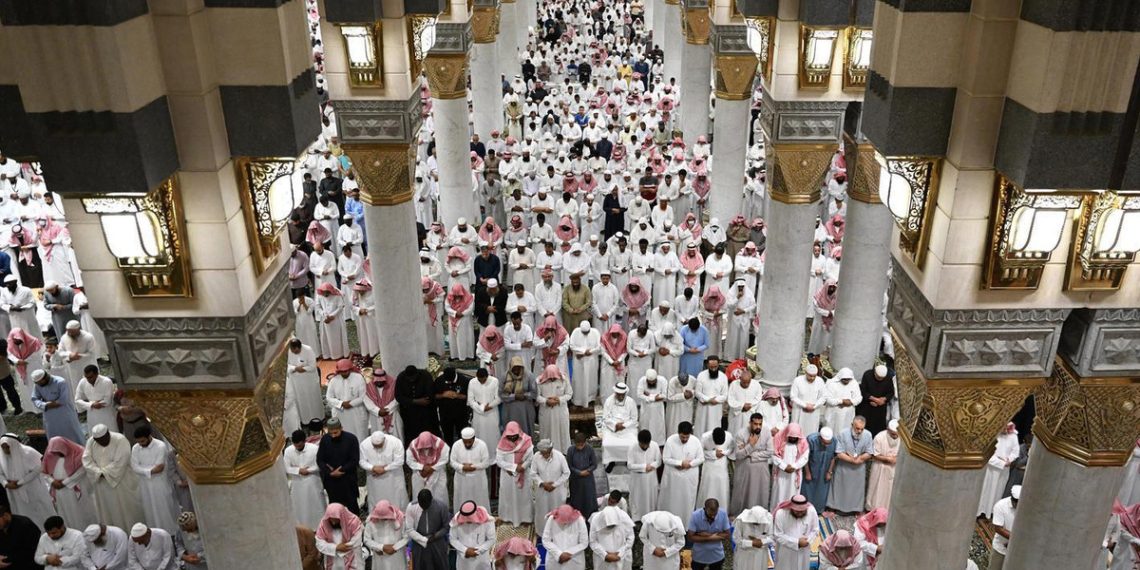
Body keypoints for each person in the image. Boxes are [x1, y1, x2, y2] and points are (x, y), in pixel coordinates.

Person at [82, 424, 144, 530]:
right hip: (102, 485)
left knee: (127, 512)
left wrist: (103, 473)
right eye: (98, 441)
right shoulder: (91, 442)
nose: (101, 442)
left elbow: (121, 461)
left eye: (103, 439)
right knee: (109, 512)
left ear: (108, 434)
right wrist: (98, 472)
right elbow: (87, 460)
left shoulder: (120, 439)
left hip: (122, 483)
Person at [129, 425, 179, 534]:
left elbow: (160, 468)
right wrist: (149, 471)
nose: (140, 444)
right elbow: (134, 467)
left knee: (166, 508)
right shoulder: (135, 448)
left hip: (160, 483)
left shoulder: (160, 446)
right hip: (144, 485)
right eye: (139, 442)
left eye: (142, 441)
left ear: (149, 437)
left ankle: (173, 533)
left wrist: (143, 470)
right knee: (150, 509)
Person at [0, 433, 56, 530]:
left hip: (32, 489)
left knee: (39, 513)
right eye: (3, 448)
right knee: (22, 514)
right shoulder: (1, 456)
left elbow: (39, 468)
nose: (6, 450)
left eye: (7, 447)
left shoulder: (28, 452)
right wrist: (6, 484)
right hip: (14, 493)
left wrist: (21, 482)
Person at [42, 436, 98, 530]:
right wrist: (52, 482)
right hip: (60, 492)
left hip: (76, 488)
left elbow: (82, 470)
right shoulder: (49, 455)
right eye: (55, 452)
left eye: (59, 451)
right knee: (66, 513)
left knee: (81, 512)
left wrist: (66, 482)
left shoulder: (78, 452)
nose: (57, 454)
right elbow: (44, 472)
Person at [660, 422, 704, 530]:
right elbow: (665, 458)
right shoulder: (670, 440)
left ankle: (686, 525)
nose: (684, 439)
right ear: (678, 433)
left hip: (689, 478)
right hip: (673, 478)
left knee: (687, 501)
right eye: (682, 437)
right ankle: (669, 524)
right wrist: (679, 463)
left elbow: (701, 458)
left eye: (687, 437)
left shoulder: (696, 441)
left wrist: (689, 464)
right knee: (672, 500)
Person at [828, 417, 875, 515]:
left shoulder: (868, 435)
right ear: (852, 425)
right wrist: (851, 460)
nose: (859, 431)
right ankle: (835, 507)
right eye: (857, 428)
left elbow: (869, 452)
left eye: (862, 429)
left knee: (857, 490)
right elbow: (839, 452)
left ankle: (855, 508)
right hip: (844, 466)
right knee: (839, 487)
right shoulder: (843, 433)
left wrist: (860, 459)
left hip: (859, 467)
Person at [316, 417, 362, 516]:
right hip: (331, 480)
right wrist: (330, 472)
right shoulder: (325, 439)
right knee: (335, 507)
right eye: (331, 433)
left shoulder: (351, 439)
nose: (333, 436)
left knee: (352, 505)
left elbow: (354, 460)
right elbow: (320, 459)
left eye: (335, 433)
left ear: (341, 428)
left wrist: (341, 470)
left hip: (348, 478)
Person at [731, 413, 773, 517]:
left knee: (760, 494)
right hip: (744, 471)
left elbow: (770, 452)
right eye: (755, 424)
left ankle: (760, 517)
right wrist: (751, 445)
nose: (758, 426)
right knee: (743, 495)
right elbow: (738, 455)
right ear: (750, 423)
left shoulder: (766, 432)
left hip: (761, 472)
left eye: (760, 424)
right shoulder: (741, 434)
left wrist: (751, 455)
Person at [285, 430, 328, 529]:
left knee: (316, 504)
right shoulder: (288, 451)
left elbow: (320, 465)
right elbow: (286, 467)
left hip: (313, 480)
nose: (297, 448)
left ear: (304, 441)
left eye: (299, 446)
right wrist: (298, 470)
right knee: (300, 506)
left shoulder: (314, 449)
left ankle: (320, 527)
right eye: (296, 446)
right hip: (297, 482)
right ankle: (303, 528)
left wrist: (309, 470)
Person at [358, 430, 408, 514]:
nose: (377, 448)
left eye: (379, 445)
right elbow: (362, 462)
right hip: (374, 481)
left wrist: (385, 469)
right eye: (375, 446)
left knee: (395, 501)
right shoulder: (364, 444)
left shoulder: (395, 442)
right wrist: (373, 468)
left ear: (384, 440)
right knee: (376, 501)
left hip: (393, 479)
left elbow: (400, 461)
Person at [977, 422, 1019, 519]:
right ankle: (980, 511)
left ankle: (991, 512)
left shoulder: (1013, 436)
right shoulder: (991, 434)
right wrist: (1002, 463)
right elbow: (986, 452)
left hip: (1003, 472)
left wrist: (1009, 460)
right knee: (985, 490)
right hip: (990, 470)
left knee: (997, 492)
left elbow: (1015, 452)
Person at [31, 370, 85, 445]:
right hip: (49, 415)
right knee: (53, 435)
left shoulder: (60, 382)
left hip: (64, 412)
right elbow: (34, 398)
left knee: (71, 433)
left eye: (40, 382)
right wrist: (44, 405)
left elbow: (64, 400)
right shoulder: (38, 385)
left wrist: (54, 403)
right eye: (37, 383)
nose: (39, 384)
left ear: (45, 378)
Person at [495, 422, 533, 525]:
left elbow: (530, 458)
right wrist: (514, 468)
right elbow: (499, 461)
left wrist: (523, 467)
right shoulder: (502, 443)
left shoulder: (527, 440)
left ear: (519, 433)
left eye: (514, 436)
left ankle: (526, 519)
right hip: (508, 475)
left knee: (523, 497)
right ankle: (506, 517)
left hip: (523, 473)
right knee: (507, 496)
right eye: (510, 437)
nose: (512, 439)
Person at [406, 489, 451, 570]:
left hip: (437, 542)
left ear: (431, 500)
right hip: (419, 544)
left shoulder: (441, 506)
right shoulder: (411, 507)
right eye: (421, 504)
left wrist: (435, 536)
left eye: (426, 504)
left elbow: (446, 527)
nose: (423, 507)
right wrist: (423, 540)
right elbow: (409, 529)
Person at [770, 423, 810, 511]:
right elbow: (773, 455)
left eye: (795, 437)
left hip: (794, 474)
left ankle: (790, 511)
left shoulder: (803, 442)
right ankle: (776, 512)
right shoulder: (778, 438)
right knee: (779, 493)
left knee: (792, 493)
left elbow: (805, 457)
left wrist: (794, 467)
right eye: (791, 436)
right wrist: (784, 467)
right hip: (780, 473)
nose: (792, 438)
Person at [449, 428, 491, 512]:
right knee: (462, 500)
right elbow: (452, 462)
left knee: (479, 501)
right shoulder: (456, 445)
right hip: (462, 480)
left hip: (478, 479)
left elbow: (486, 463)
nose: (467, 444)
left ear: (473, 438)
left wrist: (473, 467)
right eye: (465, 442)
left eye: (469, 442)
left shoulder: (482, 445)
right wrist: (462, 467)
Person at [773, 495, 819, 570]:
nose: (800, 513)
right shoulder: (781, 513)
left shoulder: (811, 511)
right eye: (797, 511)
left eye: (802, 511)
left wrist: (808, 540)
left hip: (804, 551)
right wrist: (797, 542)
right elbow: (778, 535)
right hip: (786, 552)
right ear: (791, 507)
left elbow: (815, 529)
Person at [395, 365, 439, 443]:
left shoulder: (425, 375)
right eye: (409, 379)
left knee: (428, 433)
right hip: (409, 412)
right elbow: (399, 397)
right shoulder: (401, 377)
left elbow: (430, 394)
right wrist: (415, 401)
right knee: (412, 435)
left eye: (413, 378)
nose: (411, 380)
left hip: (426, 411)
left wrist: (423, 401)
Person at [314, 503, 364, 570]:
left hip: (353, 559)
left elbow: (356, 540)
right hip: (333, 561)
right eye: (331, 519)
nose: (333, 522)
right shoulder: (324, 523)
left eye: (335, 519)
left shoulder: (353, 521)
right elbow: (319, 542)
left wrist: (344, 547)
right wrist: (336, 548)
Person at [326, 359, 368, 440]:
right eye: (342, 371)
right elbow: (329, 397)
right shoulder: (334, 380)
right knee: (343, 433)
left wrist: (351, 404)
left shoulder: (358, 378)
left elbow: (363, 396)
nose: (344, 373)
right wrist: (341, 403)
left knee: (360, 433)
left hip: (356, 411)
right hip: (341, 412)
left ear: (350, 369)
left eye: (346, 371)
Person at [286, 340, 324, 427]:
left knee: (313, 399)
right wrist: (295, 368)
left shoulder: (308, 350)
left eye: (296, 351)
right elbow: (286, 366)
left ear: (299, 347)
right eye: (292, 350)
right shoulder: (288, 351)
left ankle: (319, 418)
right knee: (301, 399)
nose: (294, 352)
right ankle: (305, 420)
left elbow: (312, 367)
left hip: (309, 381)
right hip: (296, 382)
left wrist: (302, 369)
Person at [407, 431, 450, 508]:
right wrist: (422, 467)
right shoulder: (413, 445)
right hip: (419, 474)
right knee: (419, 496)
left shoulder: (440, 444)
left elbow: (444, 459)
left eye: (428, 447)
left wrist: (432, 468)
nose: (426, 449)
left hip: (437, 473)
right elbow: (409, 461)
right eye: (423, 448)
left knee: (439, 496)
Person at [600, 383, 639, 469]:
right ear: (615, 393)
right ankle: (611, 461)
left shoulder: (631, 401)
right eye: (619, 395)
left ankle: (628, 460)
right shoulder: (609, 401)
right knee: (607, 444)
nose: (621, 397)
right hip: (612, 428)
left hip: (628, 428)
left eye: (623, 395)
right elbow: (605, 418)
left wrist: (624, 425)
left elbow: (634, 419)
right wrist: (615, 425)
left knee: (633, 444)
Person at [449, 500, 495, 570]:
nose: (468, 522)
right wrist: (465, 551)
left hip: (481, 559)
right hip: (463, 560)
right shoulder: (456, 520)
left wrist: (478, 551)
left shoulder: (487, 520)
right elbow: (452, 539)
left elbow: (492, 539)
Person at [536, 364, 572, 452]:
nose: (552, 380)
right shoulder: (539, 381)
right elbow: (536, 396)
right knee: (547, 432)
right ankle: (546, 451)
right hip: (546, 412)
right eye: (550, 378)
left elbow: (569, 394)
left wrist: (558, 399)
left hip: (560, 411)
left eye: (554, 378)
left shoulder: (564, 380)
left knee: (562, 432)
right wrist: (546, 401)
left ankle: (564, 452)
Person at [363, 500, 408, 570]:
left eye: (385, 518)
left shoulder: (400, 518)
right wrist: (380, 547)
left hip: (396, 557)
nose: (383, 520)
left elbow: (407, 537)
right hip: (379, 558)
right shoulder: (371, 520)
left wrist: (395, 547)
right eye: (381, 518)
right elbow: (366, 539)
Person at [866, 419, 900, 511]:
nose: (895, 436)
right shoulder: (879, 437)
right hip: (879, 467)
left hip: (893, 468)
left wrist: (896, 459)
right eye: (892, 434)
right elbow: (874, 454)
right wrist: (887, 459)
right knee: (877, 490)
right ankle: (872, 510)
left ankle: (886, 512)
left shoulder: (901, 439)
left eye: (896, 434)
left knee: (889, 491)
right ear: (888, 430)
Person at [687, 498, 730, 570]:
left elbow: (727, 534)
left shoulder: (723, 514)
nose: (713, 516)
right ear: (705, 509)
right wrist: (714, 536)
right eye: (710, 514)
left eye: (715, 514)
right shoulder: (695, 515)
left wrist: (708, 536)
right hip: (699, 555)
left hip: (717, 555)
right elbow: (690, 537)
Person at [626, 430, 660, 520]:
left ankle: (650, 516)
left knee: (651, 498)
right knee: (637, 498)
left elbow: (658, 461)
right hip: (637, 479)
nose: (645, 446)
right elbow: (630, 465)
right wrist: (644, 467)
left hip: (651, 477)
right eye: (643, 445)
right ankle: (637, 518)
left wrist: (652, 466)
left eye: (647, 444)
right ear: (639, 442)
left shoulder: (655, 445)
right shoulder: (632, 447)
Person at [542, 504, 588, 570]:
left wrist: (569, 552)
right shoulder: (552, 518)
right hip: (555, 559)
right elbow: (545, 540)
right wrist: (558, 554)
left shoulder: (579, 519)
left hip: (574, 559)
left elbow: (584, 542)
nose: (565, 523)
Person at [74, 365, 118, 435]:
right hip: (92, 415)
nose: (88, 380)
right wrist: (91, 404)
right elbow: (77, 400)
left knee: (112, 435)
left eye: (90, 377)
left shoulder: (106, 382)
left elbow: (107, 401)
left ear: (97, 374)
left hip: (107, 414)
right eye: (86, 377)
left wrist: (90, 403)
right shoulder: (83, 381)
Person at [802, 426, 837, 513]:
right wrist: (807, 472)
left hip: (825, 469)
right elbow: (805, 457)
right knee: (808, 490)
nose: (826, 445)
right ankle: (806, 509)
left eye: (828, 443)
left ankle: (818, 510)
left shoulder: (835, 441)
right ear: (820, 438)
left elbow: (833, 457)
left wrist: (829, 472)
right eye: (824, 443)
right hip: (811, 468)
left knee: (821, 491)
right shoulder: (811, 440)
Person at [499, 357, 537, 436]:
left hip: (525, 408)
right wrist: (514, 396)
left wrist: (524, 395)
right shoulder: (505, 376)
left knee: (526, 430)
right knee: (511, 430)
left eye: (518, 368)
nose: (516, 370)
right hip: (509, 409)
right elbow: (500, 394)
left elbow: (534, 393)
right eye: (514, 368)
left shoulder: (529, 375)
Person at [589, 506, 635, 570]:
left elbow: (630, 537)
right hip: (602, 559)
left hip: (623, 557)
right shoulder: (595, 520)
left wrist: (620, 553)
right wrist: (604, 555)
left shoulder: (624, 517)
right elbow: (592, 541)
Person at [566, 432, 598, 521]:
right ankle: (576, 517)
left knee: (588, 497)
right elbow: (569, 465)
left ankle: (590, 517)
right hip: (575, 479)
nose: (580, 446)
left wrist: (588, 470)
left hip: (588, 478)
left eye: (582, 444)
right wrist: (579, 472)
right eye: (578, 444)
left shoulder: (590, 449)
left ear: (585, 442)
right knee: (577, 498)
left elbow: (594, 464)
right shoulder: (571, 450)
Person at [698, 428, 733, 510]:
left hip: (722, 466)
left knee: (722, 488)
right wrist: (713, 454)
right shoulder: (705, 437)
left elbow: (731, 448)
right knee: (708, 487)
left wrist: (724, 453)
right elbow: (699, 452)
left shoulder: (729, 435)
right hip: (709, 466)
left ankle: (723, 509)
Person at [855, 364, 894, 435]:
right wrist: (874, 399)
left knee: (878, 428)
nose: (880, 379)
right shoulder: (867, 375)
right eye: (878, 377)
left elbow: (891, 392)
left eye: (882, 378)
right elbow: (863, 391)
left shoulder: (888, 378)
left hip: (880, 408)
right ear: (875, 372)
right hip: (867, 405)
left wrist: (884, 399)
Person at [363, 368, 402, 440]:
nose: (379, 383)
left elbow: (397, 399)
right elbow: (367, 401)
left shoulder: (393, 384)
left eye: (381, 381)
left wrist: (387, 409)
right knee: (378, 439)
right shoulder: (368, 387)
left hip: (392, 413)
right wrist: (378, 411)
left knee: (395, 437)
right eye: (377, 382)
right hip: (376, 416)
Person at [0, 502, 42, 569]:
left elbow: (31, 551)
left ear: (5, 515)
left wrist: (6, 559)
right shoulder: (2, 527)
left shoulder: (24, 525)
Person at [433, 368, 470, 444]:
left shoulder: (464, 380)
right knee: (447, 435)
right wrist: (443, 395)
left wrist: (457, 395)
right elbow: (434, 396)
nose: (449, 382)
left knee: (462, 434)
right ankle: (449, 450)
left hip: (461, 413)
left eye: (450, 381)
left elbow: (469, 397)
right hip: (445, 413)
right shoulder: (439, 380)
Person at [569, 321, 601, 407]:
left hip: (592, 361)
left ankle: (590, 398)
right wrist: (584, 352)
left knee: (591, 380)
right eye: (584, 332)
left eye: (587, 332)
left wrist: (590, 351)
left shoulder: (595, 332)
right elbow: (572, 346)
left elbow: (599, 347)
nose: (585, 334)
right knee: (578, 380)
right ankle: (578, 400)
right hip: (578, 361)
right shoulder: (575, 332)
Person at [989, 485, 1020, 570]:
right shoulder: (1000, 505)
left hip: (1018, 549)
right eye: (1016, 503)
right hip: (1001, 547)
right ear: (1012, 500)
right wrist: (1015, 540)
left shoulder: (1026, 507)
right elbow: (999, 529)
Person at [694, 357, 726, 436]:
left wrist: (716, 400)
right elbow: (697, 392)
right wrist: (708, 400)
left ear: (718, 365)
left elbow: (725, 395)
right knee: (701, 428)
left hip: (716, 409)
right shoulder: (701, 375)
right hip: (703, 408)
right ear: (707, 365)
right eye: (711, 367)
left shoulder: (723, 377)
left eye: (715, 367)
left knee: (714, 428)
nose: (713, 369)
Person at [790, 365, 826, 435]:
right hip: (799, 410)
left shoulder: (820, 381)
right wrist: (805, 405)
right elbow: (793, 396)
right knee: (797, 431)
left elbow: (823, 397)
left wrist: (814, 406)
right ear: (805, 373)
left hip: (814, 411)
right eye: (810, 376)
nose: (812, 378)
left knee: (811, 431)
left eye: (814, 376)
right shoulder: (798, 380)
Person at [726, 368, 763, 436]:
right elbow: (730, 400)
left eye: (748, 382)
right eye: (744, 382)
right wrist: (742, 406)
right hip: (736, 415)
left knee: (747, 434)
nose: (746, 385)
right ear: (740, 379)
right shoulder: (733, 385)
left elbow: (758, 398)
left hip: (749, 414)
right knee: (735, 433)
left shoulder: (756, 385)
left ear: (751, 379)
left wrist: (749, 406)